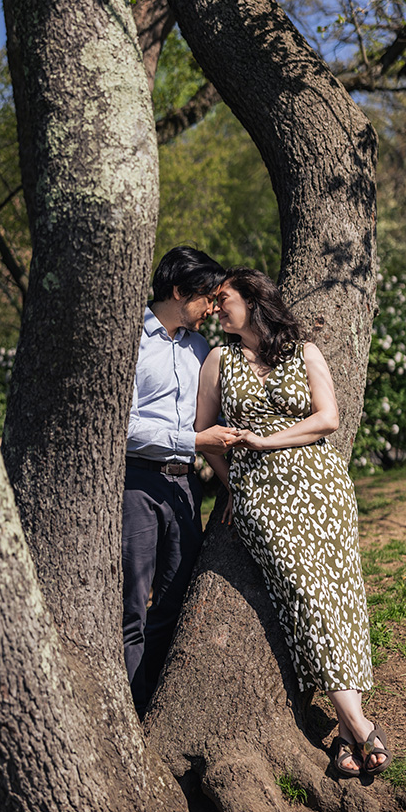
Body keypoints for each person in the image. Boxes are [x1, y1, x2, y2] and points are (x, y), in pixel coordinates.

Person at [195, 267, 390, 778]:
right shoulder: (219, 359)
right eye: (213, 301)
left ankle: (347, 735)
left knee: (337, 597)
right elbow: (205, 430)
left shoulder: (304, 351)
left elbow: (327, 418)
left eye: (224, 298)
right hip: (260, 494)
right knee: (303, 594)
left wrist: (268, 440)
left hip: (321, 487)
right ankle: (362, 723)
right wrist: (234, 483)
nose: (216, 308)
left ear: (253, 301)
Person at [124, 246, 236, 716]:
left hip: (185, 485)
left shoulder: (200, 348)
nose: (213, 307)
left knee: (175, 597)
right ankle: (128, 711)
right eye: (207, 297)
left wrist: (230, 481)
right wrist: (190, 438)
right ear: (177, 290)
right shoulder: (131, 341)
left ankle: (155, 709)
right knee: (131, 604)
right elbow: (121, 425)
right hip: (137, 485)